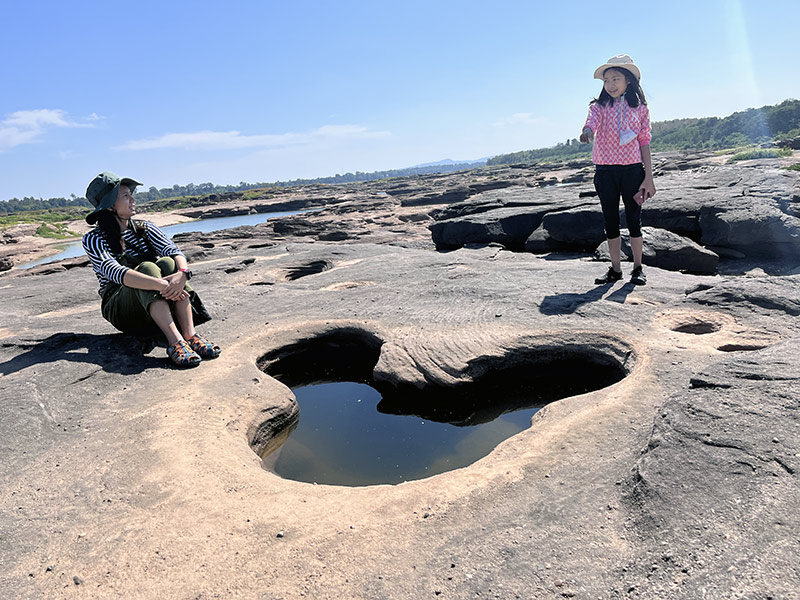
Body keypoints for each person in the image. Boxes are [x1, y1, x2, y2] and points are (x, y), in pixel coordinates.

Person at [82, 172, 221, 367]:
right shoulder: (95, 239)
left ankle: (190, 335)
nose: (133, 200)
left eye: (130, 194)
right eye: (125, 196)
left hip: (160, 297)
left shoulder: (145, 228)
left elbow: (173, 251)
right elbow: (114, 271)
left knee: (168, 263)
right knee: (147, 267)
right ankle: (175, 342)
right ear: (110, 205)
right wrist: (163, 285)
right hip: (121, 306)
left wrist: (182, 274)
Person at [579, 54, 656, 286]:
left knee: (634, 220)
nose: (610, 85)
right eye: (606, 81)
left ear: (628, 81)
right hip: (605, 172)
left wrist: (649, 178)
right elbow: (591, 121)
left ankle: (638, 268)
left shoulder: (641, 108)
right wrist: (587, 131)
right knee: (610, 220)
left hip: (633, 171)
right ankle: (615, 269)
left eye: (616, 79)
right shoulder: (598, 107)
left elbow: (644, 142)